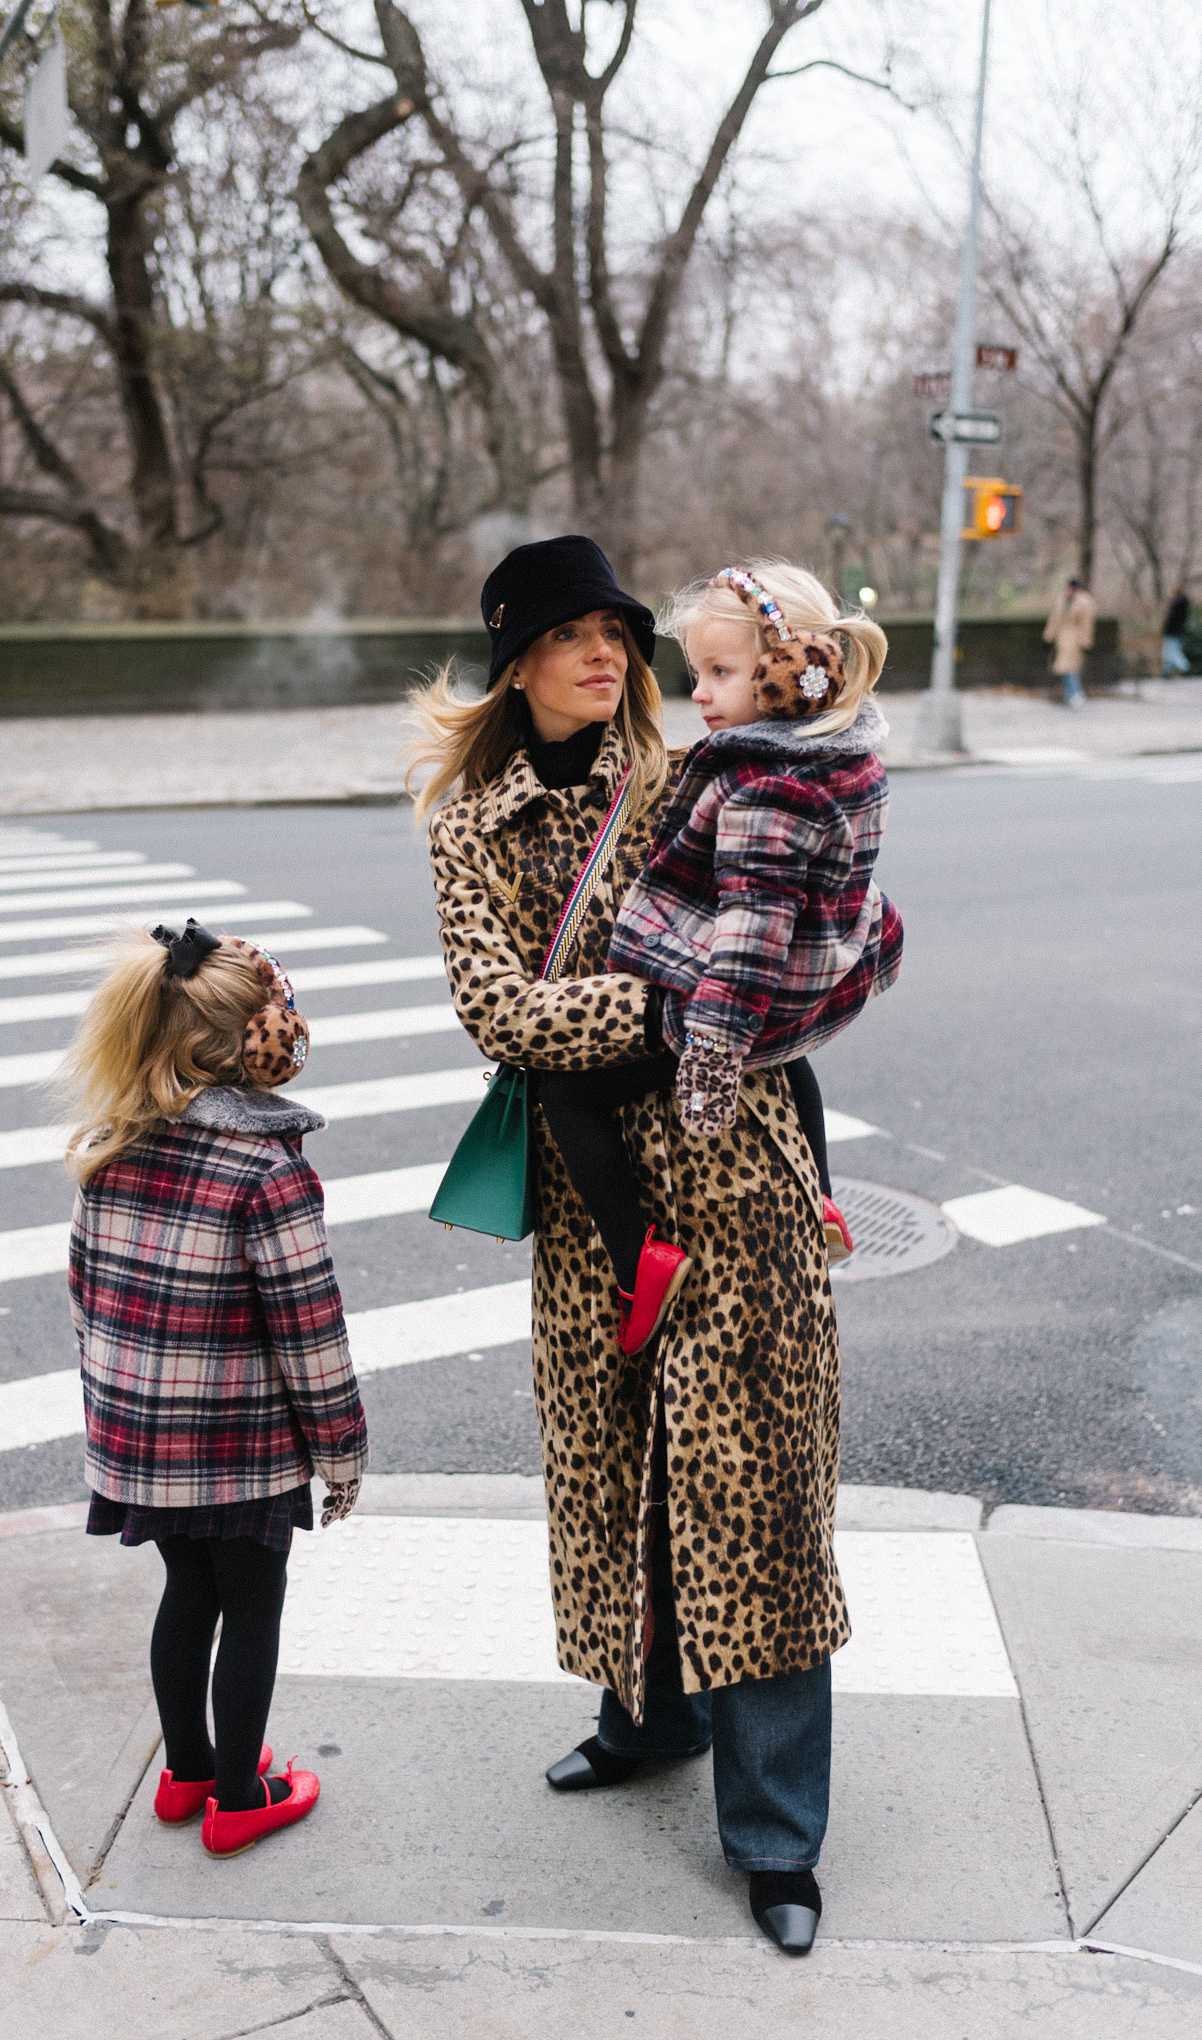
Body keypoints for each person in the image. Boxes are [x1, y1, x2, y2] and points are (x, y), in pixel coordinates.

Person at [408, 534, 855, 1957]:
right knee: (622, 1474)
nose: (610, 654)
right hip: (598, 1205)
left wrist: (704, 1005)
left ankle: (779, 1837)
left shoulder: (698, 770)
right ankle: (646, 1721)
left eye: (621, 630)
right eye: (574, 635)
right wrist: (671, 1010)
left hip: (740, 1181)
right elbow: (501, 1016)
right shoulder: (466, 824)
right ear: (516, 661)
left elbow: (792, 957)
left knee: (761, 1501)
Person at [61, 919, 367, 1861]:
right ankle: (240, 1794)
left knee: (185, 1592)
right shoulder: (266, 1170)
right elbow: (310, 1331)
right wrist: (343, 1453)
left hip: (142, 1441)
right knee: (253, 1604)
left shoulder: (113, 1147)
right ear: (253, 1043)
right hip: (239, 1447)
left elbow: (87, 1295)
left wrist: (116, 1421)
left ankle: (188, 1767)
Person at [540, 560, 903, 1356]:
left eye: (720, 672)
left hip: (739, 1007)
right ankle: (827, 1202)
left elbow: (750, 931)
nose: (698, 692)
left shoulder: (763, 785)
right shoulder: (844, 752)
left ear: (786, 675)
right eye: (695, 672)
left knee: (565, 1092)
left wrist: (710, 1049)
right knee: (792, 1059)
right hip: (813, 987)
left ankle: (640, 1258)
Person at [1044, 577, 1096, 708]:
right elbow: (1055, 618)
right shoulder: (1063, 600)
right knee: (1063, 667)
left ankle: (1075, 693)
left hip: (1074, 638)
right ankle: (1071, 694)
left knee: (1069, 667)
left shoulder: (1083, 601)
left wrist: (1085, 639)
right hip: (1062, 637)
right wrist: (1049, 633)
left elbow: (1086, 623)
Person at [1161, 587, 1191, 676]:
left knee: (1172, 650)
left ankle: (1184, 667)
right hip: (1175, 631)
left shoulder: (1177, 604)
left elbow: (1171, 618)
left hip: (1172, 632)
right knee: (1169, 651)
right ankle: (1167, 670)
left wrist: (1170, 603)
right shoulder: (1181, 604)